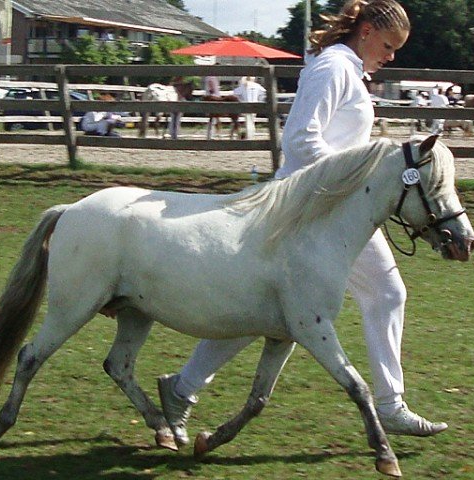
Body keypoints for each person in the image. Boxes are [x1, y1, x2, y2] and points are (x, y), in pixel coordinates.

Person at [157, 0, 448, 447]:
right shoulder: (332, 67)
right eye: (388, 46)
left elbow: (342, 141)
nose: (391, 57)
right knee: (260, 311)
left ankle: (390, 405)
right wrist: (354, 178)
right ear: (367, 31)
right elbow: (300, 140)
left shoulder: (348, 70)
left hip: (336, 208)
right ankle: (182, 387)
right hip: (302, 206)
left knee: (386, 292)